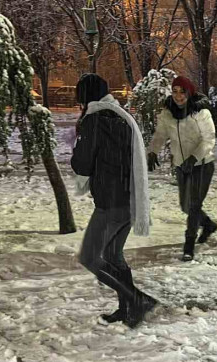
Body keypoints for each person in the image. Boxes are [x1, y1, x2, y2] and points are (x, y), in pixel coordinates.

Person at [71, 73, 157, 328]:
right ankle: (127, 308)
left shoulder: (95, 121)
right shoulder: (120, 117)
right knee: (113, 254)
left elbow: (83, 164)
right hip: (130, 198)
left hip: (111, 202)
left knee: (89, 257)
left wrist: (76, 148)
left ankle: (136, 299)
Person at [147, 75, 217, 262]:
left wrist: (194, 157)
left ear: (189, 92)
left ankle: (189, 245)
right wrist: (153, 151)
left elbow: (209, 139)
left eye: (182, 92)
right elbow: (160, 134)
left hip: (202, 164)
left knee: (194, 205)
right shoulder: (167, 113)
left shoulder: (201, 113)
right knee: (185, 206)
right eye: (175, 91)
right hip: (180, 165)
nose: (178, 96)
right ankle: (208, 225)